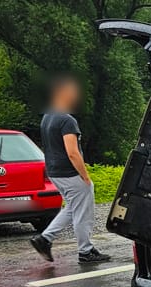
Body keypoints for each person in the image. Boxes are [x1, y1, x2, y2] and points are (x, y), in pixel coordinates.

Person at [30, 75, 110, 264]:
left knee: (73, 208)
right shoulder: (67, 121)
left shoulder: (47, 117)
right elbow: (72, 152)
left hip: (55, 172)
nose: (75, 96)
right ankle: (86, 251)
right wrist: (85, 176)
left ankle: (45, 239)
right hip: (70, 173)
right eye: (72, 92)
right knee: (83, 212)